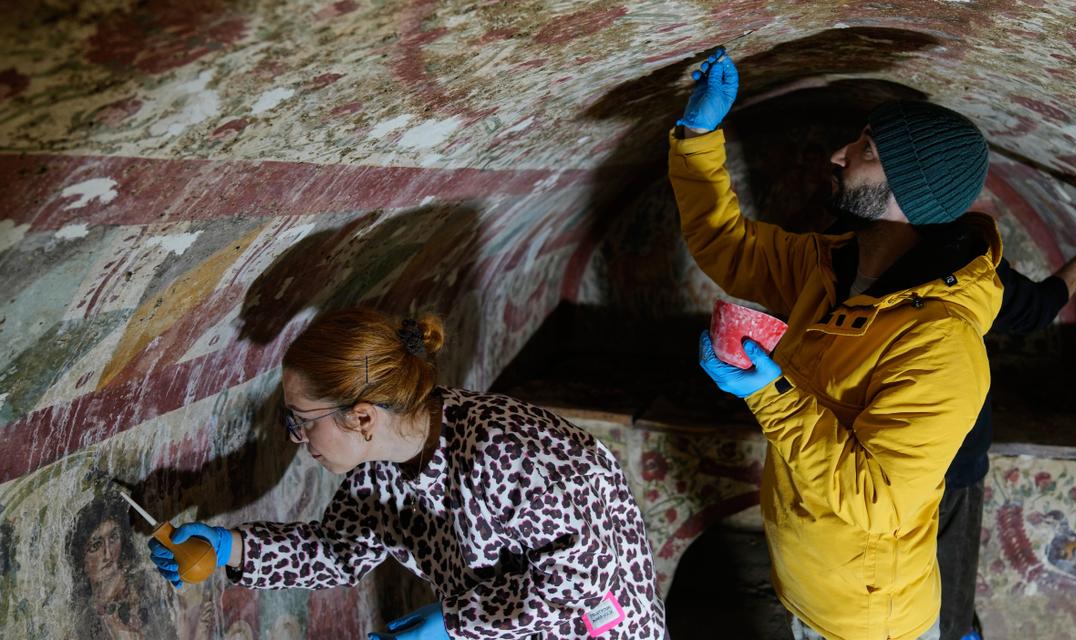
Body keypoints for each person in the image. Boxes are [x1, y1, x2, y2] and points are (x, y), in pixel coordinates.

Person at [672, 48, 1000, 639]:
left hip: (869, 622)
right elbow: (726, 244)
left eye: (866, 151)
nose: (838, 156)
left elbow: (880, 501)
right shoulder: (829, 265)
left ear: (910, 193)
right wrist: (698, 134)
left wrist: (770, 393)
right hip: (809, 584)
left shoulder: (940, 343)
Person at [147, 307, 666, 639]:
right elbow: (338, 551)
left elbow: (580, 583)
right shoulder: (376, 473)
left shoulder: (511, 452)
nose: (294, 438)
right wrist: (227, 547)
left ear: (363, 417)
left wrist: (451, 625)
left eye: (301, 422)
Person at [936, 214, 1076, 640]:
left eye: (864, 151)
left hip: (900, 452)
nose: (837, 159)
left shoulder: (855, 237)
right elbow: (1036, 309)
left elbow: (1033, 309)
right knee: (944, 585)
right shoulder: (960, 250)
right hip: (949, 455)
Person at [67, 494, 178, 640]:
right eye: (96, 545)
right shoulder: (80, 617)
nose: (108, 553)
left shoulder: (149, 583)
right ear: (81, 561)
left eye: (113, 537)